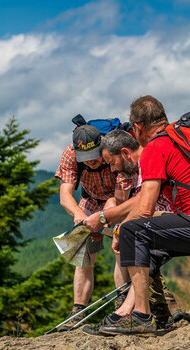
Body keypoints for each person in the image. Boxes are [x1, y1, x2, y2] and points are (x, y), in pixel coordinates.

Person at [97, 95, 190, 335]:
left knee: (131, 231)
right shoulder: (183, 138)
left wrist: (118, 229)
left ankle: (142, 316)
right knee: (152, 247)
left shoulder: (156, 147)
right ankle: (127, 310)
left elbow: (145, 208)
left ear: (136, 128)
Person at [83, 129, 186, 326]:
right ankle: (159, 311)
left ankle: (134, 309)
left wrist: (109, 220)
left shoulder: (148, 158)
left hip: (179, 219)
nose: (113, 171)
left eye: (112, 163)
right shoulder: (141, 164)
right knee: (133, 233)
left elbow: (144, 203)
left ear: (124, 153)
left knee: (134, 233)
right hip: (171, 219)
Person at [54, 124, 134, 331]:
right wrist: (80, 216)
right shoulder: (69, 154)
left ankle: (122, 302)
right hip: (89, 200)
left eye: (95, 155)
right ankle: (78, 310)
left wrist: (106, 215)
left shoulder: (114, 149)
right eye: (85, 157)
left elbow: (120, 197)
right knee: (84, 255)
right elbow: (65, 196)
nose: (91, 161)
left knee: (120, 247)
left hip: (118, 201)